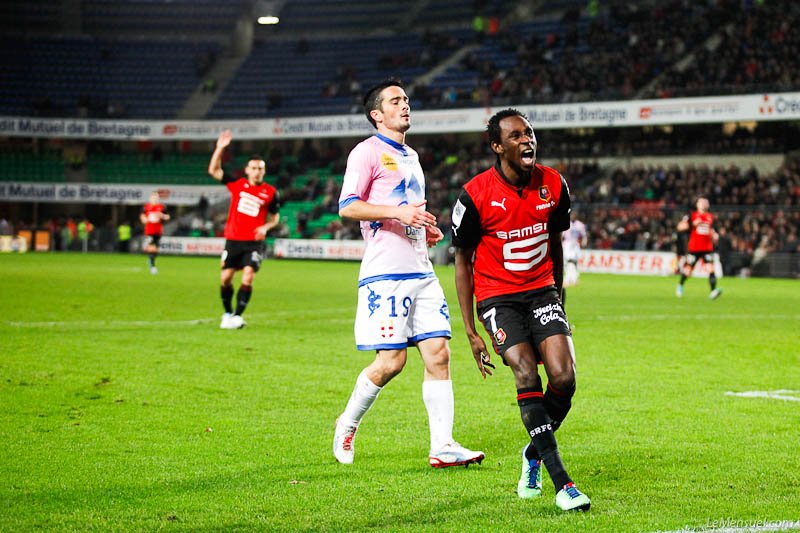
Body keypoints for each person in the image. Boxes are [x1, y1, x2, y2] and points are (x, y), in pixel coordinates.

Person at [333, 78, 484, 468]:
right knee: (391, 363)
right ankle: (348, 422)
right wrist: (398, 213)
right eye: (395, 101)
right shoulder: (365, 153)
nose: (405, 106)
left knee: (439, 353)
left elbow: (408, 208)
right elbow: (348, 207)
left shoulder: (411, 156)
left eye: (406, 100)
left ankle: (443, 445)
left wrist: (423, 226)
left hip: (421, 270)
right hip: (386, 273)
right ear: (376, 114)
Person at [451, 109, 591, 511]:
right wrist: (471, 329)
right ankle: (561, 481)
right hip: (497, 298)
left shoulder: (554, 184)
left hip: (543, 293)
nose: (527, 140)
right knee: (526, 371)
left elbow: (557, 243)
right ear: (497, 147)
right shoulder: (475, 195)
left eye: (529, 133)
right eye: (515, 135)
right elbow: (462, 260)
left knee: (564, 378)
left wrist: (560, 300)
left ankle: (533, 452)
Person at [208, 130, 280, 329]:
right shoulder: (237, 185)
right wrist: (220, 148)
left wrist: (266, 227)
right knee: (226, 279)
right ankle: (227, 313)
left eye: (261, 168)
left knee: (248, 276)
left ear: (264, 171)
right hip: (233, 239)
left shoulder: (271, 192)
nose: (258, 171)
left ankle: (238, 316)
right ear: (247, 170)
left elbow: (275, 218)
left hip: (254, 242)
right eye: (254, 168)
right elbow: (214, 171)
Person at [675, 197, 721, 299]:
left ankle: (713, 291)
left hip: (707, 248)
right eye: (701, 202)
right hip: (694, 248)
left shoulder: (710, 217)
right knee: (688, 271)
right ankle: (680, 285)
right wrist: (692, 224)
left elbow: (712, 230)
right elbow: (680, 227)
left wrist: (714, 235)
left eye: (706, 202)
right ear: (697, 204)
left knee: (710, 269)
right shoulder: (692, 216)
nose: (704, 204)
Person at [140, 192, 170, 274]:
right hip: (149, 230)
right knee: (152, 247)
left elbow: (167, 216)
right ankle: (152, 266)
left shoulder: (162, 206)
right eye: (153, 197)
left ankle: (151, 260)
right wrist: (145, 220)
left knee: (156, 248)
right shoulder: (146, 206)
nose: (155, 198)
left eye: (156, 197)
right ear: (150, 198)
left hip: (158, 230)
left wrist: (162, 216)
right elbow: (142, 216)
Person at [561, 211, 586, 306]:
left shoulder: (580, 225)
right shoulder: (566, 223)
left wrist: (583, 243)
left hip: (575, 244)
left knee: (574, 262)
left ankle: (573, 278)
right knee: (567, 262)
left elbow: (583, 236)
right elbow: (562, 235)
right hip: (567, 244)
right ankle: (568, 278)